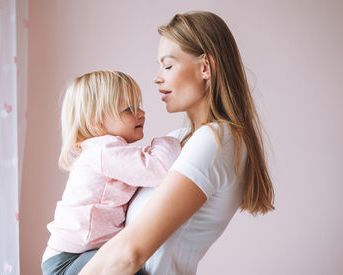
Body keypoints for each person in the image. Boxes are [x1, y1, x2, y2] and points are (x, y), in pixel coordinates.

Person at [79, 11, 275, 275]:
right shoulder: (176, 140)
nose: (157, 78)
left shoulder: (215, 141)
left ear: (205, 67)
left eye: (168, 66)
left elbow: (130, 253)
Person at [41, 70, 181, 275]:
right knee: (132, 268)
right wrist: (170, 140)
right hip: (66, 262)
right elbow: (158, 168)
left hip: (77, 255)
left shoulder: (106, 151)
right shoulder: (103, 150)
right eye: (129, 109)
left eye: (139, 106)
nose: (141, 113)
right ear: (96, 122)